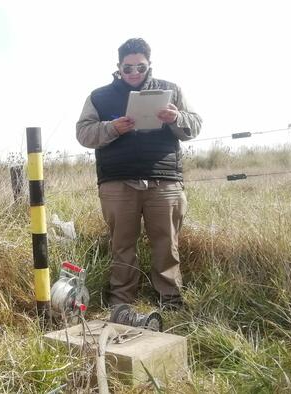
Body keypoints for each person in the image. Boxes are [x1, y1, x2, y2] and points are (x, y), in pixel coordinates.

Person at [75, 38, 201, 309]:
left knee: (167, 244)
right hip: (117, 183)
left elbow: (195, 124)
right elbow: (84, 134)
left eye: (140, 68)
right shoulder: (99, 96)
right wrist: (112, 128)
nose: (134, 73)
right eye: (128, 68)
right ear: (118, 67)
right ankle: (122, 302)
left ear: (149, 65)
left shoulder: (172, 90)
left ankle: (171, 301)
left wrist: (176, 118)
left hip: (165, 181)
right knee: (121, 246)